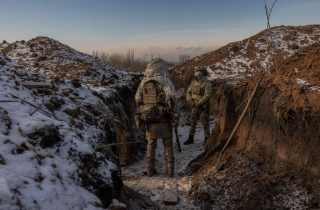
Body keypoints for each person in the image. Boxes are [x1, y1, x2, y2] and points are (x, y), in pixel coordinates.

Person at [135, 58, 178, 177]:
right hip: (164, 118)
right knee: (168, 145)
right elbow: (173, 97)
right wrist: (174, 114)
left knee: (150, 145)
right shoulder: (165, 80)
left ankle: (150, 170)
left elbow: (138, 99)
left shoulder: (144, 81)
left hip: (150, 119)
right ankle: (170, 171)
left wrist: (145, 111)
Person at [184, 66, 212, 145]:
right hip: (194, 106)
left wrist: (199, 103)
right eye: (198, 71)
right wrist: (191, 102)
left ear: (204, 73)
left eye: (201, 72)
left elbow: (207, 94)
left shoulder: (207, 83)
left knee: (205, 123)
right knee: (193, 122)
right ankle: (190, 138)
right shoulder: (193, 82)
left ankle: (207, 139)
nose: (199, 73)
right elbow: (188, 92)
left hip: (203, 107)